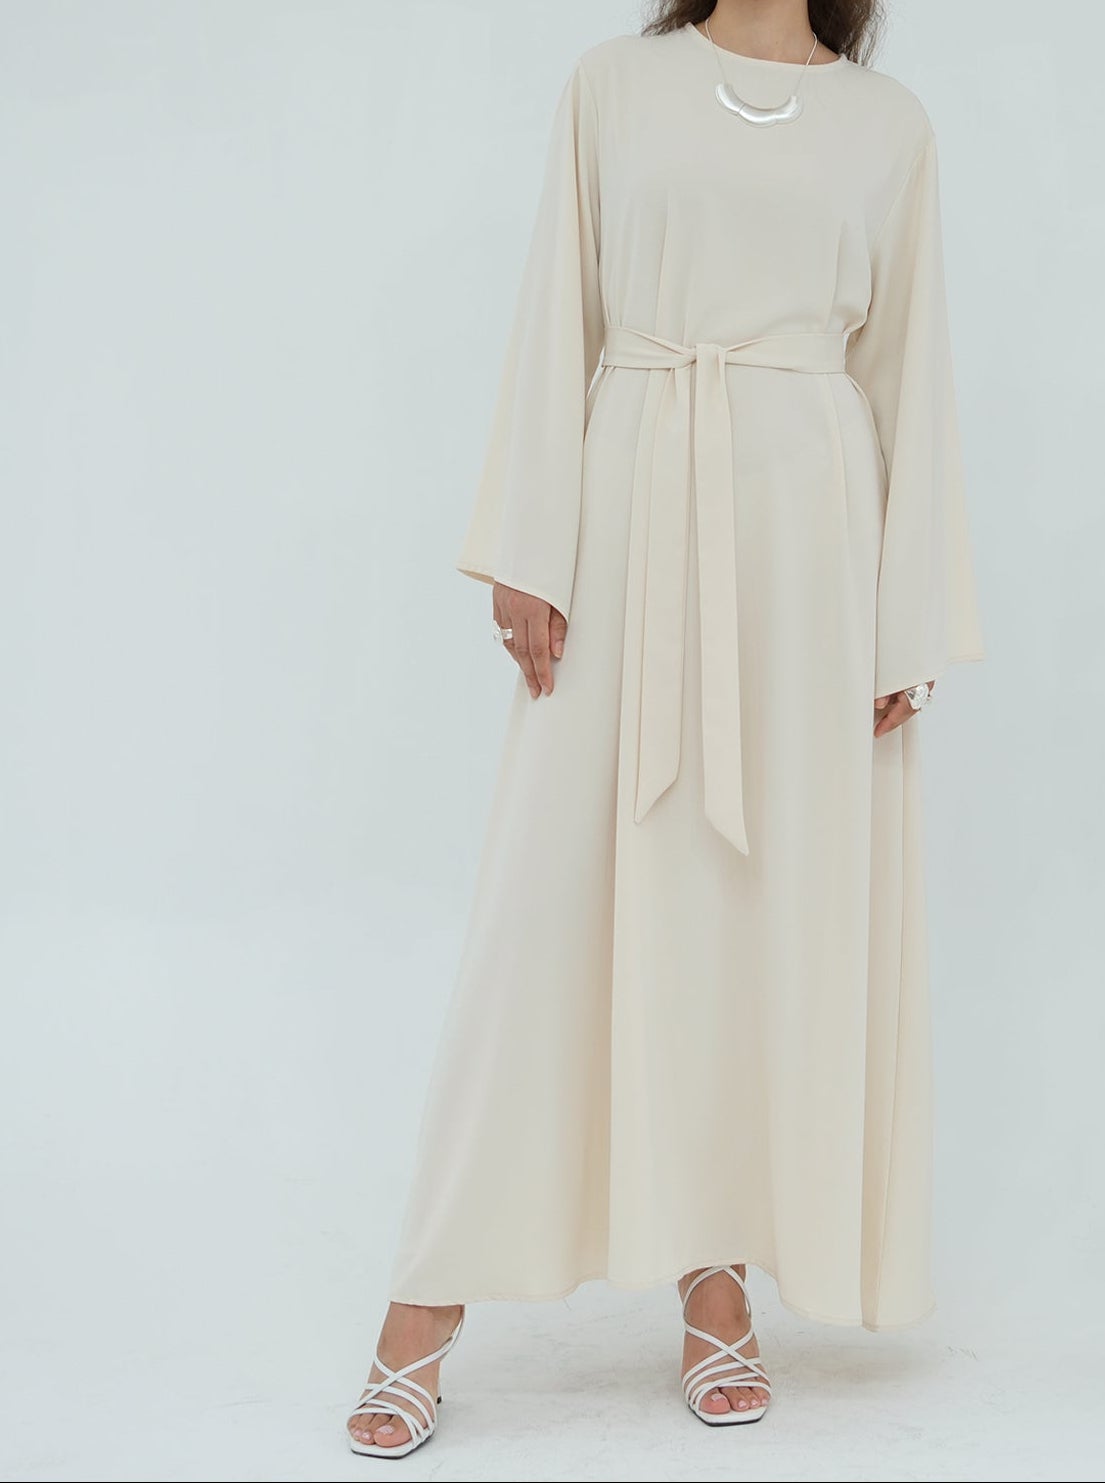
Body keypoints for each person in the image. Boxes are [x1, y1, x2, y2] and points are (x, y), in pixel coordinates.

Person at [347, 0, 982, 1455]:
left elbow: (912, 373)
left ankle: (718, 1286)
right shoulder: (614, 86)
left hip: (813, 539)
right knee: (550, 906)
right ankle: (426, 1298)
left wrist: (905, 618)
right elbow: (553, 310)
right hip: (634, 502)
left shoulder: (891, 127)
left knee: (764, 918)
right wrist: (533, 542)